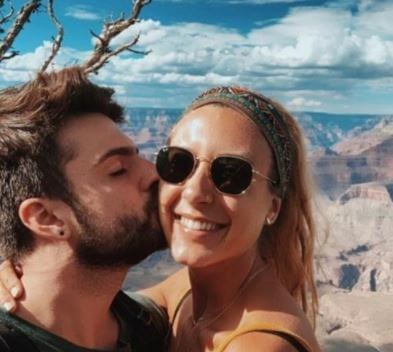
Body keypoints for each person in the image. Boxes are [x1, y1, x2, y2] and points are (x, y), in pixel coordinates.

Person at [0, 85, 321, 351]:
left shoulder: (256, 344)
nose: (193, 192)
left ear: (273, 207)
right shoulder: (180, 298)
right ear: (45, 218)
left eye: (232, 174)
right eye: (177, 163)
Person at [0, 67, 168, 351]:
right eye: (118, 170)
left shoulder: (144, 325)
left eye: (140, 157)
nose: (154, 174)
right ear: (47, 218)